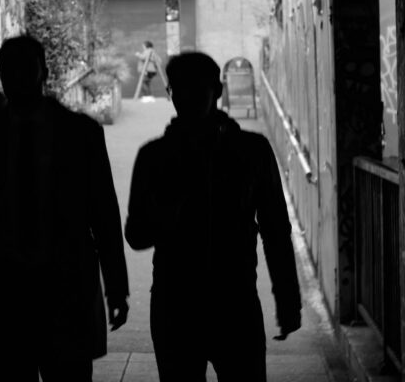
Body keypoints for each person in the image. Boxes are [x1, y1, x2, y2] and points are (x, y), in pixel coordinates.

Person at [0, 35, 130, 382]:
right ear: (1, 74)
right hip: (5, 296)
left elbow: (104, 212)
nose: (18, 78)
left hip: (63, 293)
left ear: (44, 72)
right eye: (10, 70)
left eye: (25, 69)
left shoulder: (81, 133)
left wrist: (117, 285)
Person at [124, 51, 301, 382]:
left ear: (217, 92)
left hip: (202, 303)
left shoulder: (159, 155)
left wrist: (288, 297)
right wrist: (287, 298)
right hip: (210, 302)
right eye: (180, 91)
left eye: (197, 90)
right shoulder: (248, 150)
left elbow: (276, 227)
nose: (188, 100)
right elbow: (135, 234)